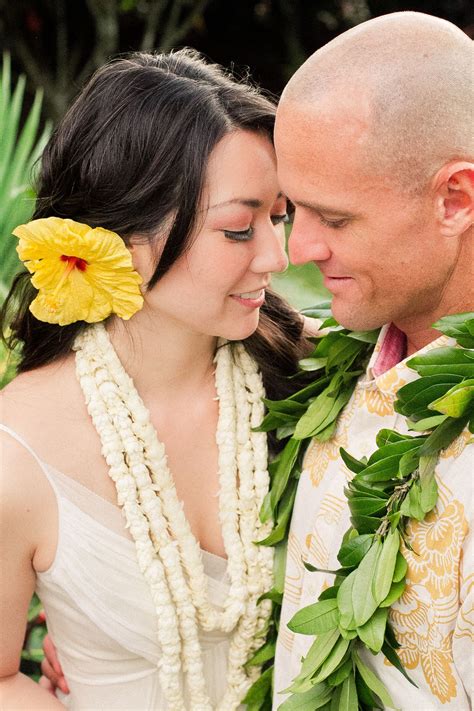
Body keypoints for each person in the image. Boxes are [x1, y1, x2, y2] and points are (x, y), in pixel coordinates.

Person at [0, 49, 312, 710]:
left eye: (277, 217)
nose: (275, 257)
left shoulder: (318, 372)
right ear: (123, 234)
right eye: (238, 228)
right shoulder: (15, 450)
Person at [272, 10, 473, 709]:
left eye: (335, 218)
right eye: (292, 209)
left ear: (456, 198)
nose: (299, 250)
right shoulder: (340, 360)